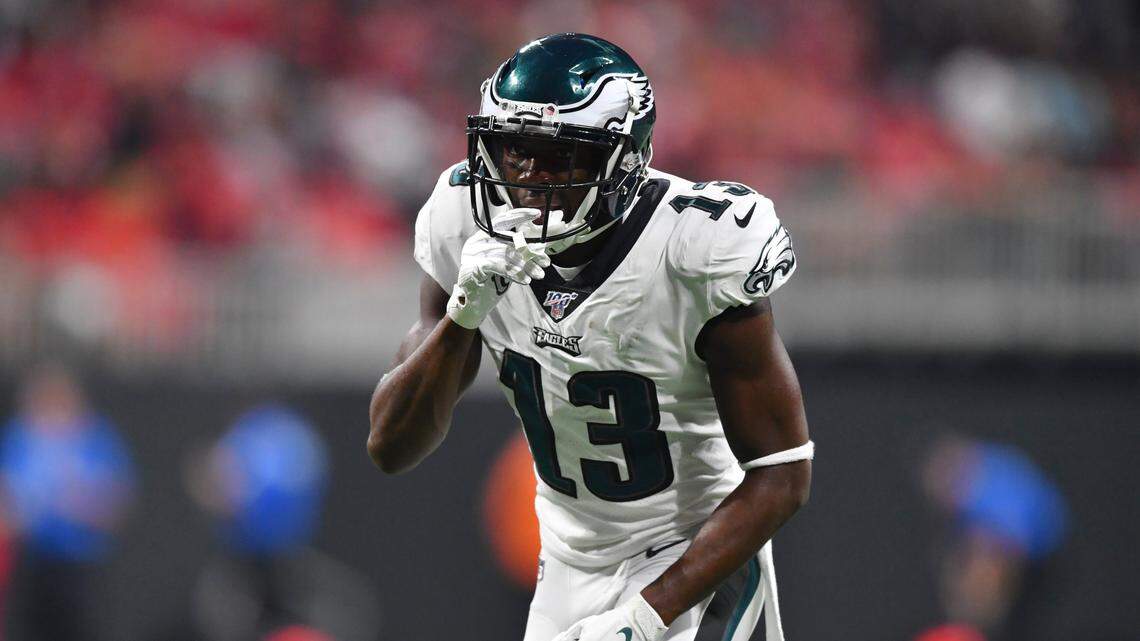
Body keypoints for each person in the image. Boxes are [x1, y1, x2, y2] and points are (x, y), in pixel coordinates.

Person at [368, 33, 812, 641]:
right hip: (567, 564)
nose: (528, 180)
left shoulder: (695, 249)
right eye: (515, 153)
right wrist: (463, 315)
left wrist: (645, 615)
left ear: (625, 160)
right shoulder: (462, 221)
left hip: (694, 555)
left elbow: (782, 473)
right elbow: (390, 446)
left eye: (558, 158)